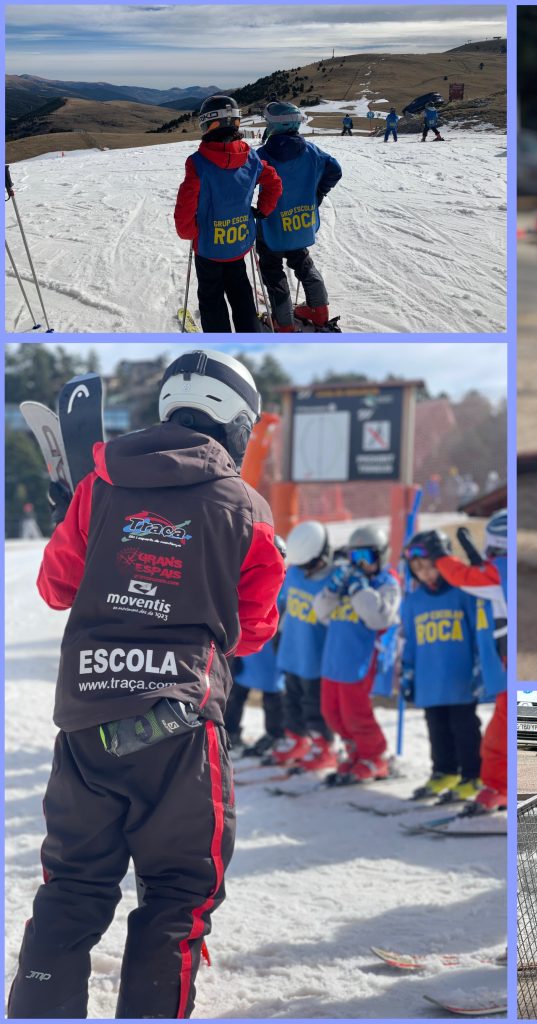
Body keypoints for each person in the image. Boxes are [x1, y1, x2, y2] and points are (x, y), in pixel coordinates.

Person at [6, 351, 284, 1018]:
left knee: (72, 888)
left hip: (86, 722)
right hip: (179, 728)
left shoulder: (99, 488)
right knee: (177, 898)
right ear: (237, 423)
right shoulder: (246, 508)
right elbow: (254, 629)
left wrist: (72, 516)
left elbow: (55, 586)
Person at [173, 95, 282, 333]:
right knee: (241, 290)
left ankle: (217, 339)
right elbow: (273, 181)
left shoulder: (198, 162)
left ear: (208, 124)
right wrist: (263, 210)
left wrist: (190, 232)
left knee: (211, 297)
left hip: (209, 246)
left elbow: (186, 202)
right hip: (238, 241)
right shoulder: (251, 157)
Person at [430, 510, 509, 812]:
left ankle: (498, 786)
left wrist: (440, 557)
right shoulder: (501, 571)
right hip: (507, 669)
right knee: (499, 733)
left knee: (498, 736)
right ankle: (498, 786)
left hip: (510, 669)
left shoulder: (499, 572)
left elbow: (465, 578)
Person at [311, 525, 401, 784]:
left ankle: (375, 756)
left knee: (355, 713)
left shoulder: (386, 584)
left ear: (381, 557)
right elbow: (320, 612)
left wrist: (359, 589)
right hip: (333, 660)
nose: (360, 565)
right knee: (331, 713)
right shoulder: (346, 581)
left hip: (358, 661)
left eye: (367, 558)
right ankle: (355, 751)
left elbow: (378, 618)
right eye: (354, 558)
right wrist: (333, 589)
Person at [400, 530, 483, 801]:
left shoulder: (464, 594)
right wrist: (408, 673)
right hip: (429, 681)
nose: (425, 573)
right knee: (436, 729)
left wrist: (479, 668)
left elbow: (476, 633)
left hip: (460, 680)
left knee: (464, 729)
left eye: (429, 566)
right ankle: (444, 771)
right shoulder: (413, 602)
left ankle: (472, 775)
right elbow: (410, 642)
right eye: (418, 569)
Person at [255, 101, 342, 332]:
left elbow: (245, 181)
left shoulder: (262, 154)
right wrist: (318, 192)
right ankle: (319, 310)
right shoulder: (312, 151)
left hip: (271, 224)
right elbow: (335, 170)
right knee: (302, 262)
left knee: (273, 271)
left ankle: (282, 323)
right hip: (300, 222)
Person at [270, 519, 336, 771]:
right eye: (303, 565)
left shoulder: (332, 579)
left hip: (315, 657)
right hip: (291, 650)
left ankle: (324, 746)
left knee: (314, 705)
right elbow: (282, 604)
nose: (307, 570)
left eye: (312, 564)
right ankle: (297, 739)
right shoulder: (295, 573)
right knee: (291, 700)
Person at [224, 535, 288, 757]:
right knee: (237, 693)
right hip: (246, 648)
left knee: (272, 695)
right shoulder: (245, 576)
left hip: (270, 650)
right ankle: (230, 731)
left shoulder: (283, 583)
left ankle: (275, 733)